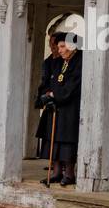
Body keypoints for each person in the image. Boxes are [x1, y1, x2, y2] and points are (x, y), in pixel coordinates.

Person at [37, 32, 83, 187]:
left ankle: (69, 174)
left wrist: (56, 95)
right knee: (53, 139)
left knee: (66, 140)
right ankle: (56, 172)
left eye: (63, 46)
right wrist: (48, 94)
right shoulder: (58, 63)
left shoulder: (80, 61)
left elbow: (74, 85)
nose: (60, 50)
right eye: (59, 47)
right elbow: (51, 80)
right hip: (55, 106)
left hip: (70, 108)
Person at [34, 32, 59, 176]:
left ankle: (60, 164)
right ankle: (52, 161)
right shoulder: (48, 61)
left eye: (54, 43)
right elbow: (44, 80)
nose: (52, 46)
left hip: (60, 100)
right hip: (49, 100)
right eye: (51, 42)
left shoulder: (63, 61)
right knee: (48, 132)